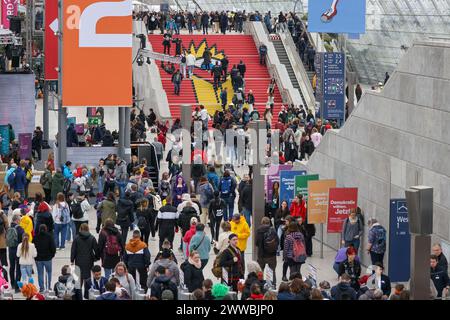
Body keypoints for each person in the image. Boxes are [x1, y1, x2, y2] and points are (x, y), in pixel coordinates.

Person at [71, 223, 99, 290]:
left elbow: (73, 250)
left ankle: (79, 294)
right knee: (87, 277)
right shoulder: (92, 238)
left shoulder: (76, 238)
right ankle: (87, 294)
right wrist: (96, 257)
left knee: (78, 279)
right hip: (89, 260)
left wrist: (72, 260)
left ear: (80, 229)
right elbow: (96, 249)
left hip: (78, 260)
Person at [255, 217, 278, 286]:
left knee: (260, 270)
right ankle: (273, 284)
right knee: (272, 270)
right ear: (269, 222)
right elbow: (277, 241)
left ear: (262, 222)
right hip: (272, 255)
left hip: (261, 255)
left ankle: (260, 284)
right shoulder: (273, 230)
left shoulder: (259, 230)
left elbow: (256, 243)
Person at [33, 224, 56, 292]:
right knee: (49, 272)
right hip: (48, 258)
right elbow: (53, 247)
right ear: (46, 229)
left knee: (40, 273)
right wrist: (52, 255)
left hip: (38, 259)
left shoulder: (35, 237)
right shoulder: (49, 237)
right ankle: (48, 287)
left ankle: (42, 288)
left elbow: (33, 247)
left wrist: (35, 257)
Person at [6, 213, 24, 292]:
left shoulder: (9, 228)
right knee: (18, 268)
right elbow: (23, 240)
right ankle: (17, 287)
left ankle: (12, 284)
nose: (20, 221)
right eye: (19, 220)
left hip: (10, 249)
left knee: (12, 267)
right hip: (18, 250)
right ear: (17, 220)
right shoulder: (20, 229)